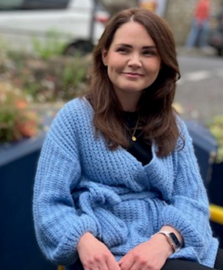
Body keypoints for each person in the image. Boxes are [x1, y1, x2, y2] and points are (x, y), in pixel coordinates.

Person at [33, 8, 223, 270]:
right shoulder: (75, 118)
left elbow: (193, 201)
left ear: (162, 62)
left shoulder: (171, 122)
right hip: (108, 253)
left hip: (168, 244)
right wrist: (83, 241)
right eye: (124, 50)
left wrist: (164, 241)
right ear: (105, 55)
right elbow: (49, 204)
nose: (135, 61)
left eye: (148, 52)